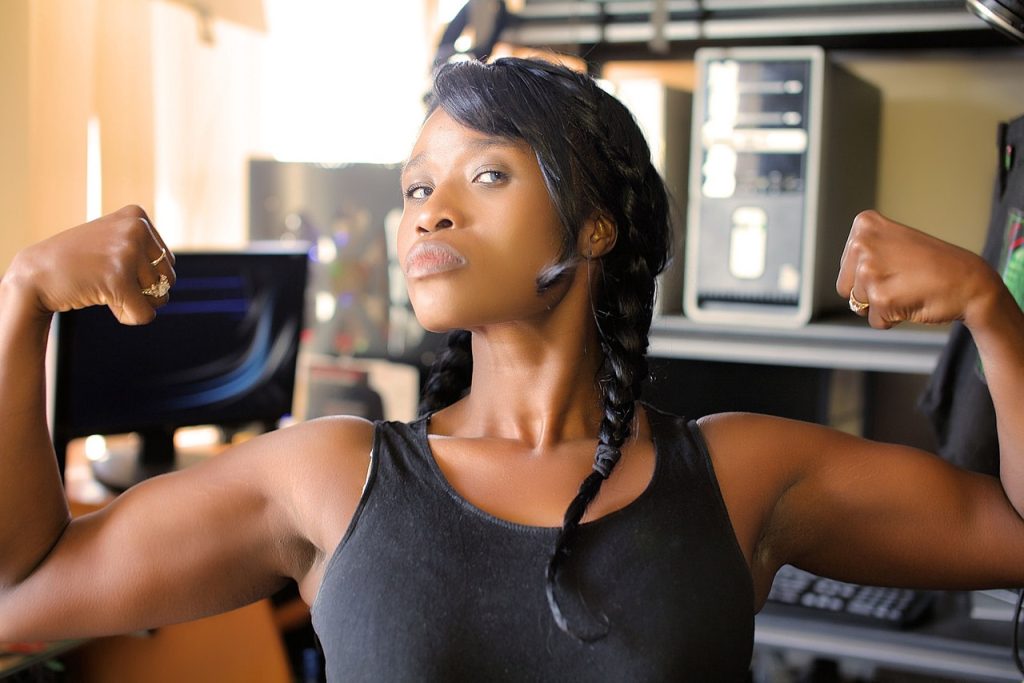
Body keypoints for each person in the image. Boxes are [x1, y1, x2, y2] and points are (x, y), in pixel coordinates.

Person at [2, 56, 1024, 681]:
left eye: (484, 173)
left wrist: (990, 305)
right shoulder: (327, 473)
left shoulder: (740, 473)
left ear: (592, 224)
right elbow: (21, 588)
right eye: (415, 186)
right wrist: (21, 303)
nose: (427, 210)